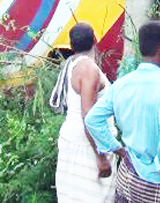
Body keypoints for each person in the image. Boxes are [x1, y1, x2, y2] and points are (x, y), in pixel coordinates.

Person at [85, 21, 160, 203]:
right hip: (156, 182)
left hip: (127, 175)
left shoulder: (122, 83)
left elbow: (92, 120)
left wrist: (117, 148)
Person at [54, 23, 117, 202]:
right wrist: (100, 157)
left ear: (71, 45)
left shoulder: (72, 65)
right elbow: (89, 117)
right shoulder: (88, 70)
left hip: (74, 140)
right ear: (95, 41)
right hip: (88, 148)